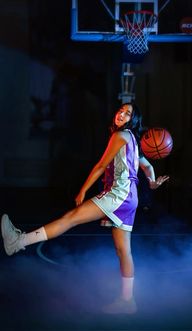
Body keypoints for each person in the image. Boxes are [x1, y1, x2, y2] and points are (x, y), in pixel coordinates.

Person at [1, 103, 169, 314]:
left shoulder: (120, 137)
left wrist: (83, 190)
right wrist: (152, 183)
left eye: (128, 114)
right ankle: (128, 302)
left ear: (132, 121)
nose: (122, 114)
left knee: (70, 218)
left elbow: (100, 166)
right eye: (121, 110)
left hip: (119, 195)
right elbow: (148, 166)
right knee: (123, 250)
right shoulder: (133, 139)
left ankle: (18, 242)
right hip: (130, 198)